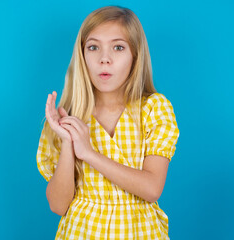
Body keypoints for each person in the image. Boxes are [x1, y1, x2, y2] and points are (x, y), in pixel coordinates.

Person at [36, 5, 180, 239]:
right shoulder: (68, 117)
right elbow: (58, 206)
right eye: (93, 47)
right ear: (82, 56)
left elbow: (152, 189)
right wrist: (67, 144)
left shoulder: (153, 109)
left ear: (135, 56)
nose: (105, 59)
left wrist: (90, 154)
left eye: (118, 47)